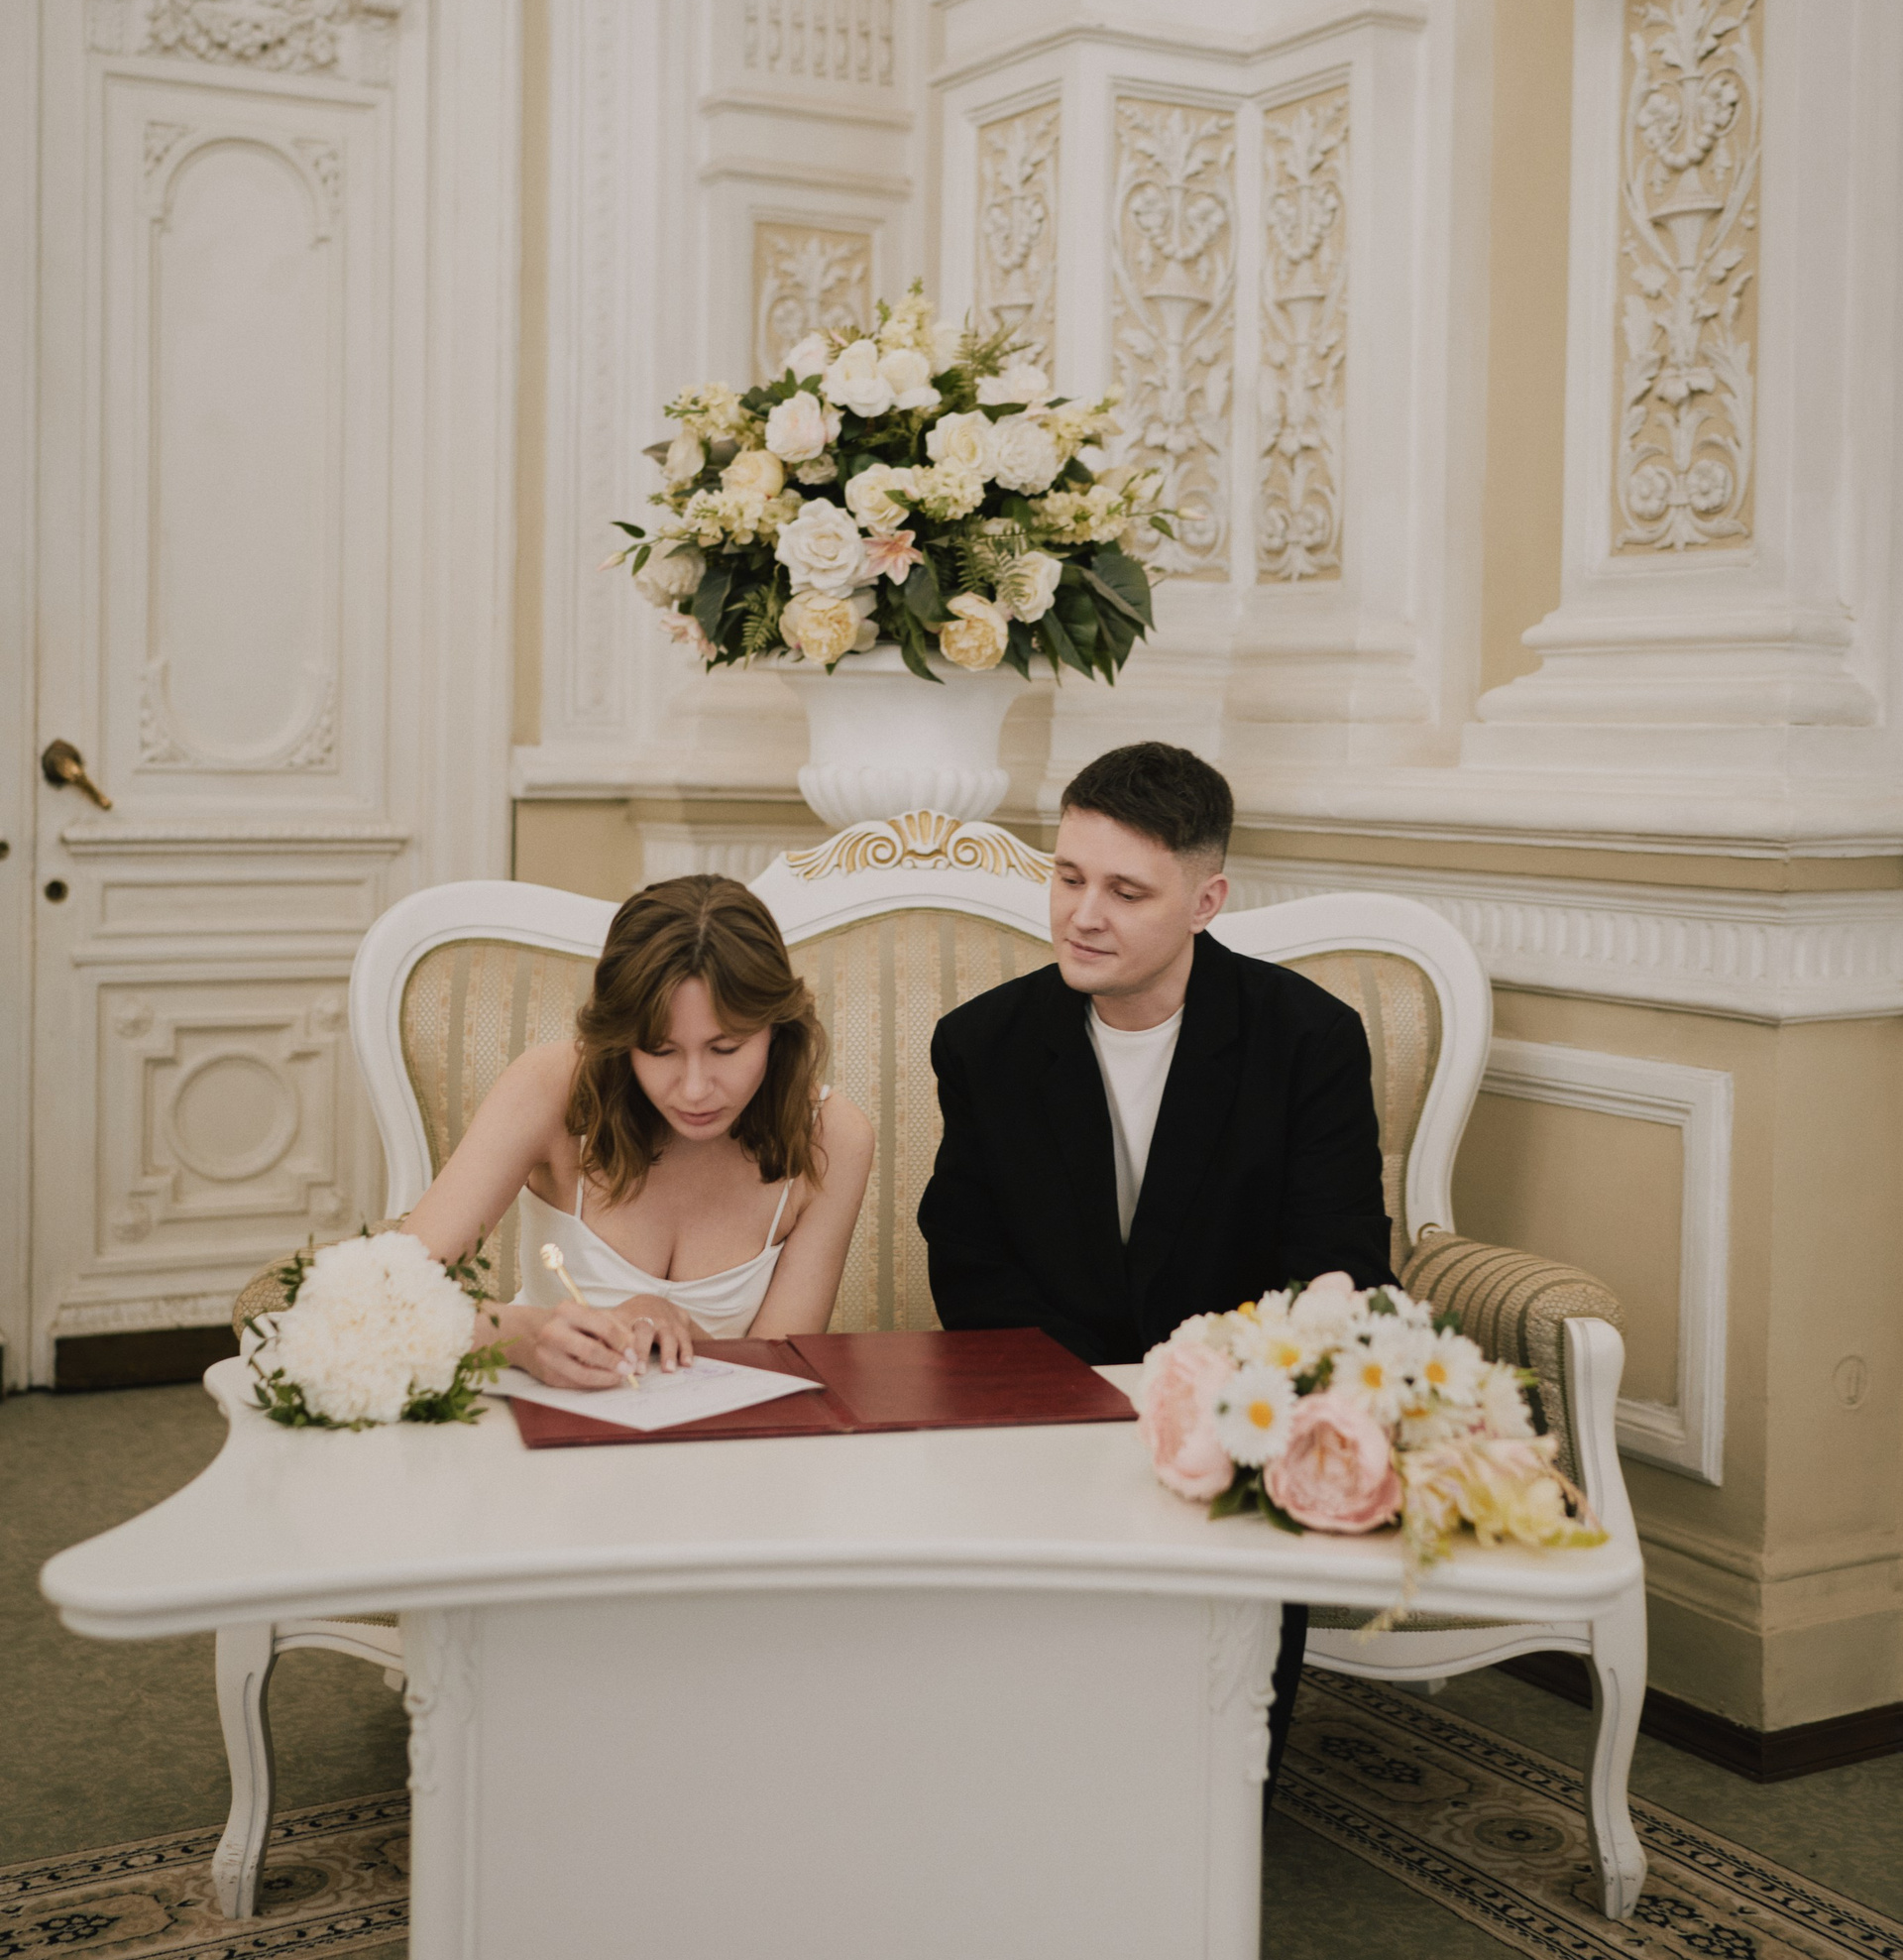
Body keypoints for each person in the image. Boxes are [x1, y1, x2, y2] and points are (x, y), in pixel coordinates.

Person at [918, 740, 1392, 1779]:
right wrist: (1096, 1407)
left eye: (1126, 892)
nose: (1082, 915)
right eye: (1068, 877)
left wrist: (1208, 1409)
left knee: (1214, 1778)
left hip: (1240, 1429)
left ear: (1205, 900)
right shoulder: (983, 1043)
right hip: (1051, 1419)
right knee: (1034, 1759)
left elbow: (1338, 1261)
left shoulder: (1308, 1040)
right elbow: (970, 1264)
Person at [401, 874, 873, 1387]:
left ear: (776, 1030)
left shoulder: (832, 1137)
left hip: (722, 1436)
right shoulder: (551, 1089)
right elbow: (382, 1295)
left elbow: (778, 1379)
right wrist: (522, 1336)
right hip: (533, 1423)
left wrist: (678, 1327)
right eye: (660, 1050)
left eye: (726, 1048)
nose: (695, 1089)